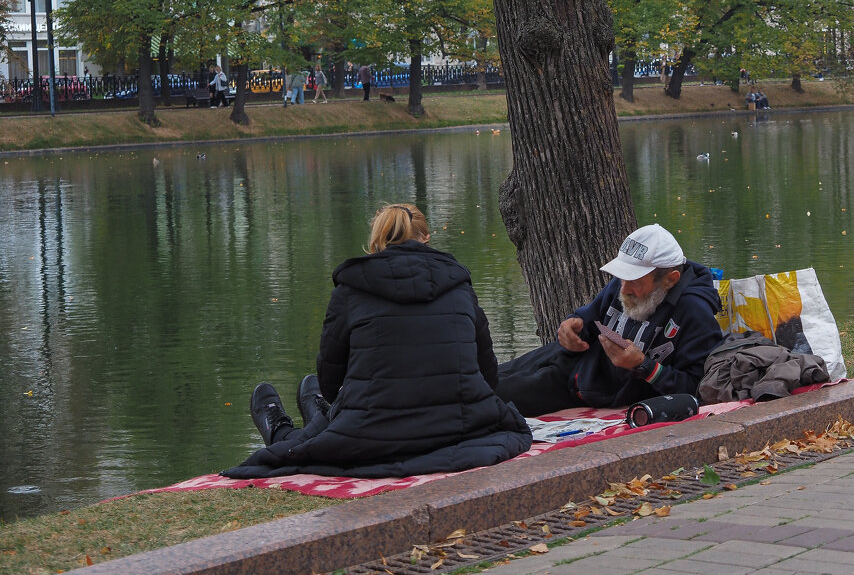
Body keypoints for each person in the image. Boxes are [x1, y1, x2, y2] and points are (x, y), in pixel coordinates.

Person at [223, 203, 531, 479]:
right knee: (334, 421)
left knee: (309, 441)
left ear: (376, 243)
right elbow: (488, 376)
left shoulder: (350, 288)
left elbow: (332, 380)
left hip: (374, 431)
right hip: (459, 426)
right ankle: (317, 414)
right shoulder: (460, 285)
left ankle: (280, 430)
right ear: (426, 237)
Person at [495, 224, 723, 417]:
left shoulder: (695, 312)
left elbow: (699, 387)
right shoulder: (624, 284)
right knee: (486, 377)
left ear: (670, 280)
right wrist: (572, 326)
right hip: (570, 359)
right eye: (622, 277)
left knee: (494, 395)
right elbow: (590, 315)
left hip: (589, 387)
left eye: (635, 281)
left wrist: (643, 365)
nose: (623, 288)